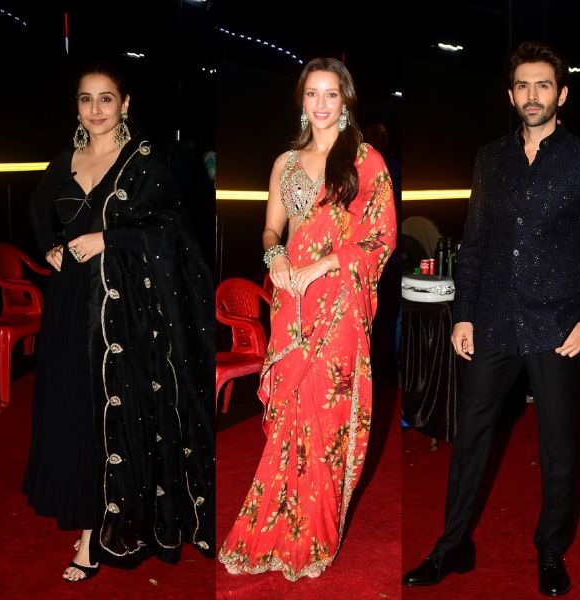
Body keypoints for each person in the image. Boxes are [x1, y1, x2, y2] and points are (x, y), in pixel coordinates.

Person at [402, 41, 580, 596]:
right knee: (470, 438)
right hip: (495, 321)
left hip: (558, 326)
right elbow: (476, 243)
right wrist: (464, 315)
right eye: (523, 85)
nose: (532, 95)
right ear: (510, 94)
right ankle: (453, 545)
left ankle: (550, 550)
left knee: (558, 448)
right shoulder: (490, 158)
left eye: (542, 85)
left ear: (561, 95)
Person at [24, 62, 215, 582]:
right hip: (69, 303)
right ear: (76, 107)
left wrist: (109, 238)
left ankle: (94, 535)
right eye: (85, 99)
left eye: (105, 98)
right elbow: (39, 209)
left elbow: (172, 233)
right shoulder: (66, 158)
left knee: (101, 414)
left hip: (120, 312)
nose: (95, 109)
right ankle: (83, 512)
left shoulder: (144, 162)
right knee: (70, 409)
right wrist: (50, 247)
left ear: (124, 104)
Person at [217, 58, 396, 581]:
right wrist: (275, 256)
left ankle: (314, 535)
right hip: (290, 302)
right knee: (289, 415)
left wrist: (324, 263)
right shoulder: (285, 163)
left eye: (331, 94)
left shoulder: (364, 160)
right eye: (312, 94)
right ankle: (275, 525)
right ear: (301, 101)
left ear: (345, 101)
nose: (321, 103)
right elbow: (272, 230)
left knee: (325, 416)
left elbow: (381, 236)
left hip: (338, 303)